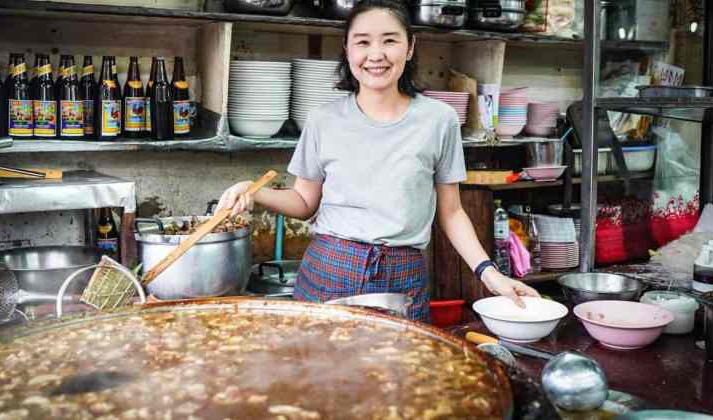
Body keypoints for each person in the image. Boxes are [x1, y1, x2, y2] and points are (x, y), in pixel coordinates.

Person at [216, 0, 539, 322]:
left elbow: (451, 212)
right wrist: (253, 190)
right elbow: (304, 202)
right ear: (347, 49)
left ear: (410, 47)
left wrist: (489, 273)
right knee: (319, 369)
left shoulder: (439, 120)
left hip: (404, 273)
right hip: (329, 267)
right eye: (362, 42)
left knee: (398, 370)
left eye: (389, 40)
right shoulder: (323, 119)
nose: (375, 54)